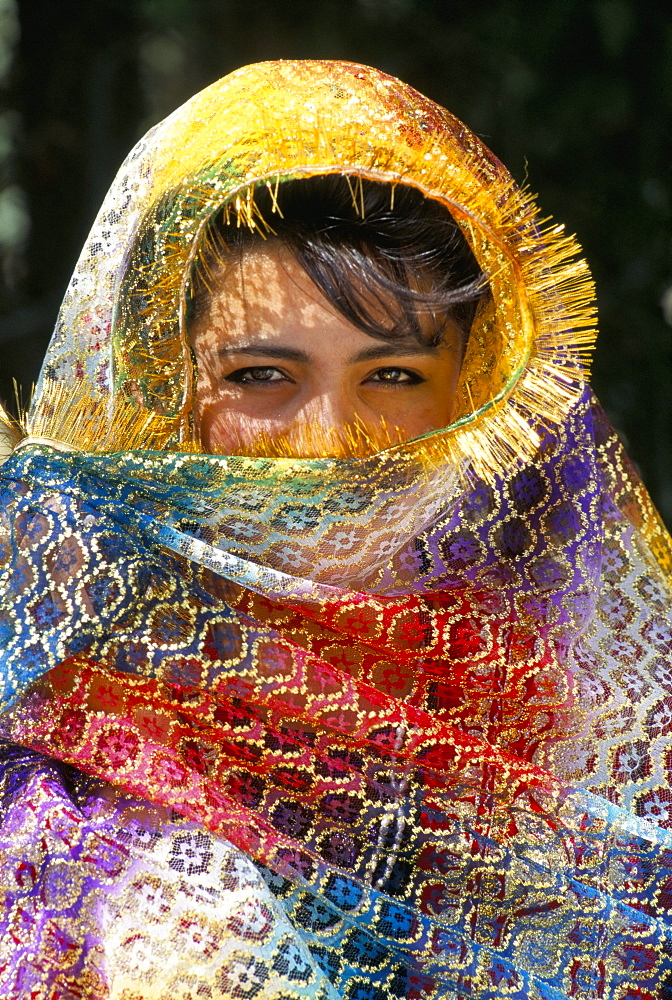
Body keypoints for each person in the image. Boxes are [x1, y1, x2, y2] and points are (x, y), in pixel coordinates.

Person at [0, 59, 671, 1000]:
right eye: (261, 376)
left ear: (473, 394)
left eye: (392, 376)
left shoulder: (572, 686)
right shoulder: (68, 689)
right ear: (165, 393)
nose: (327, 444)